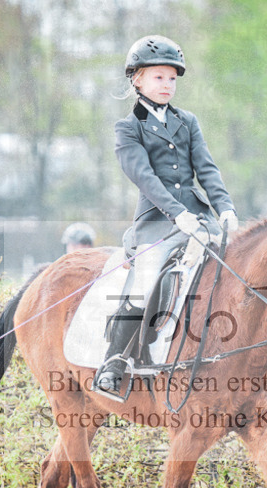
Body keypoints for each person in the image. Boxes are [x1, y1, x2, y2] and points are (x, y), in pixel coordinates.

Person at [94, 35, 238, 399]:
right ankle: (114, 362)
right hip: (157, 222)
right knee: (144, 284)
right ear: (137, 79)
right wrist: (177, 215)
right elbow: (144, 176)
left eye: (172, 78)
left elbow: (206, 169)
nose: (167, 85)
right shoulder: (128, 128)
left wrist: (225, 208)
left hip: (199, 218)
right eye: (159, 77)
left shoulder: (188, 121)